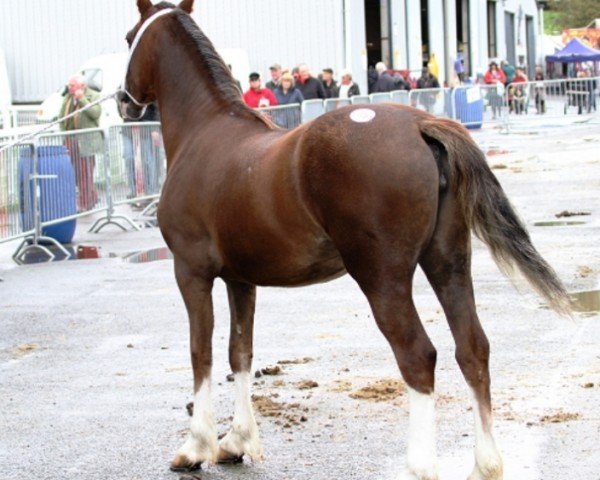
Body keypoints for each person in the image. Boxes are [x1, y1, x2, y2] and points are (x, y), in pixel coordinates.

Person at [59, 74, 102, 212]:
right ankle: (92, 196)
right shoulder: (68, 99)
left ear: (82, 86)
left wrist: (82, 99)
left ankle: (84, 203)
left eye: (72, 85)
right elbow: (61, 117)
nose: (69, 88)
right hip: (71, 140)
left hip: (87, 141)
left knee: (86, 172)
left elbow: (95, 113)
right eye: (69, 85)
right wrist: (65, 135)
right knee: (75, 173)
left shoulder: (93, 96)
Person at [119, 101, 163, 198]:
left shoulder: (148, 89)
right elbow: (121, 110)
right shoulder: (124, 91)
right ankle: (133, 191)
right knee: (128, 157)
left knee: (148, 160)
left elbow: (156, 108)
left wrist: (155, 129)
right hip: (128, 128)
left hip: (147, 127)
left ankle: (151, 192)